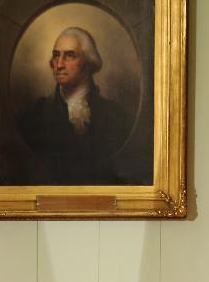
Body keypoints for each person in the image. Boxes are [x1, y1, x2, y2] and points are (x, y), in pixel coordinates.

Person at [15, 26, 134, 185]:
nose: (59, 65)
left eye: (70, 56)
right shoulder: (34, 116)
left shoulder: (117, 117)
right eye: (56, 56)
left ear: (88, 62)